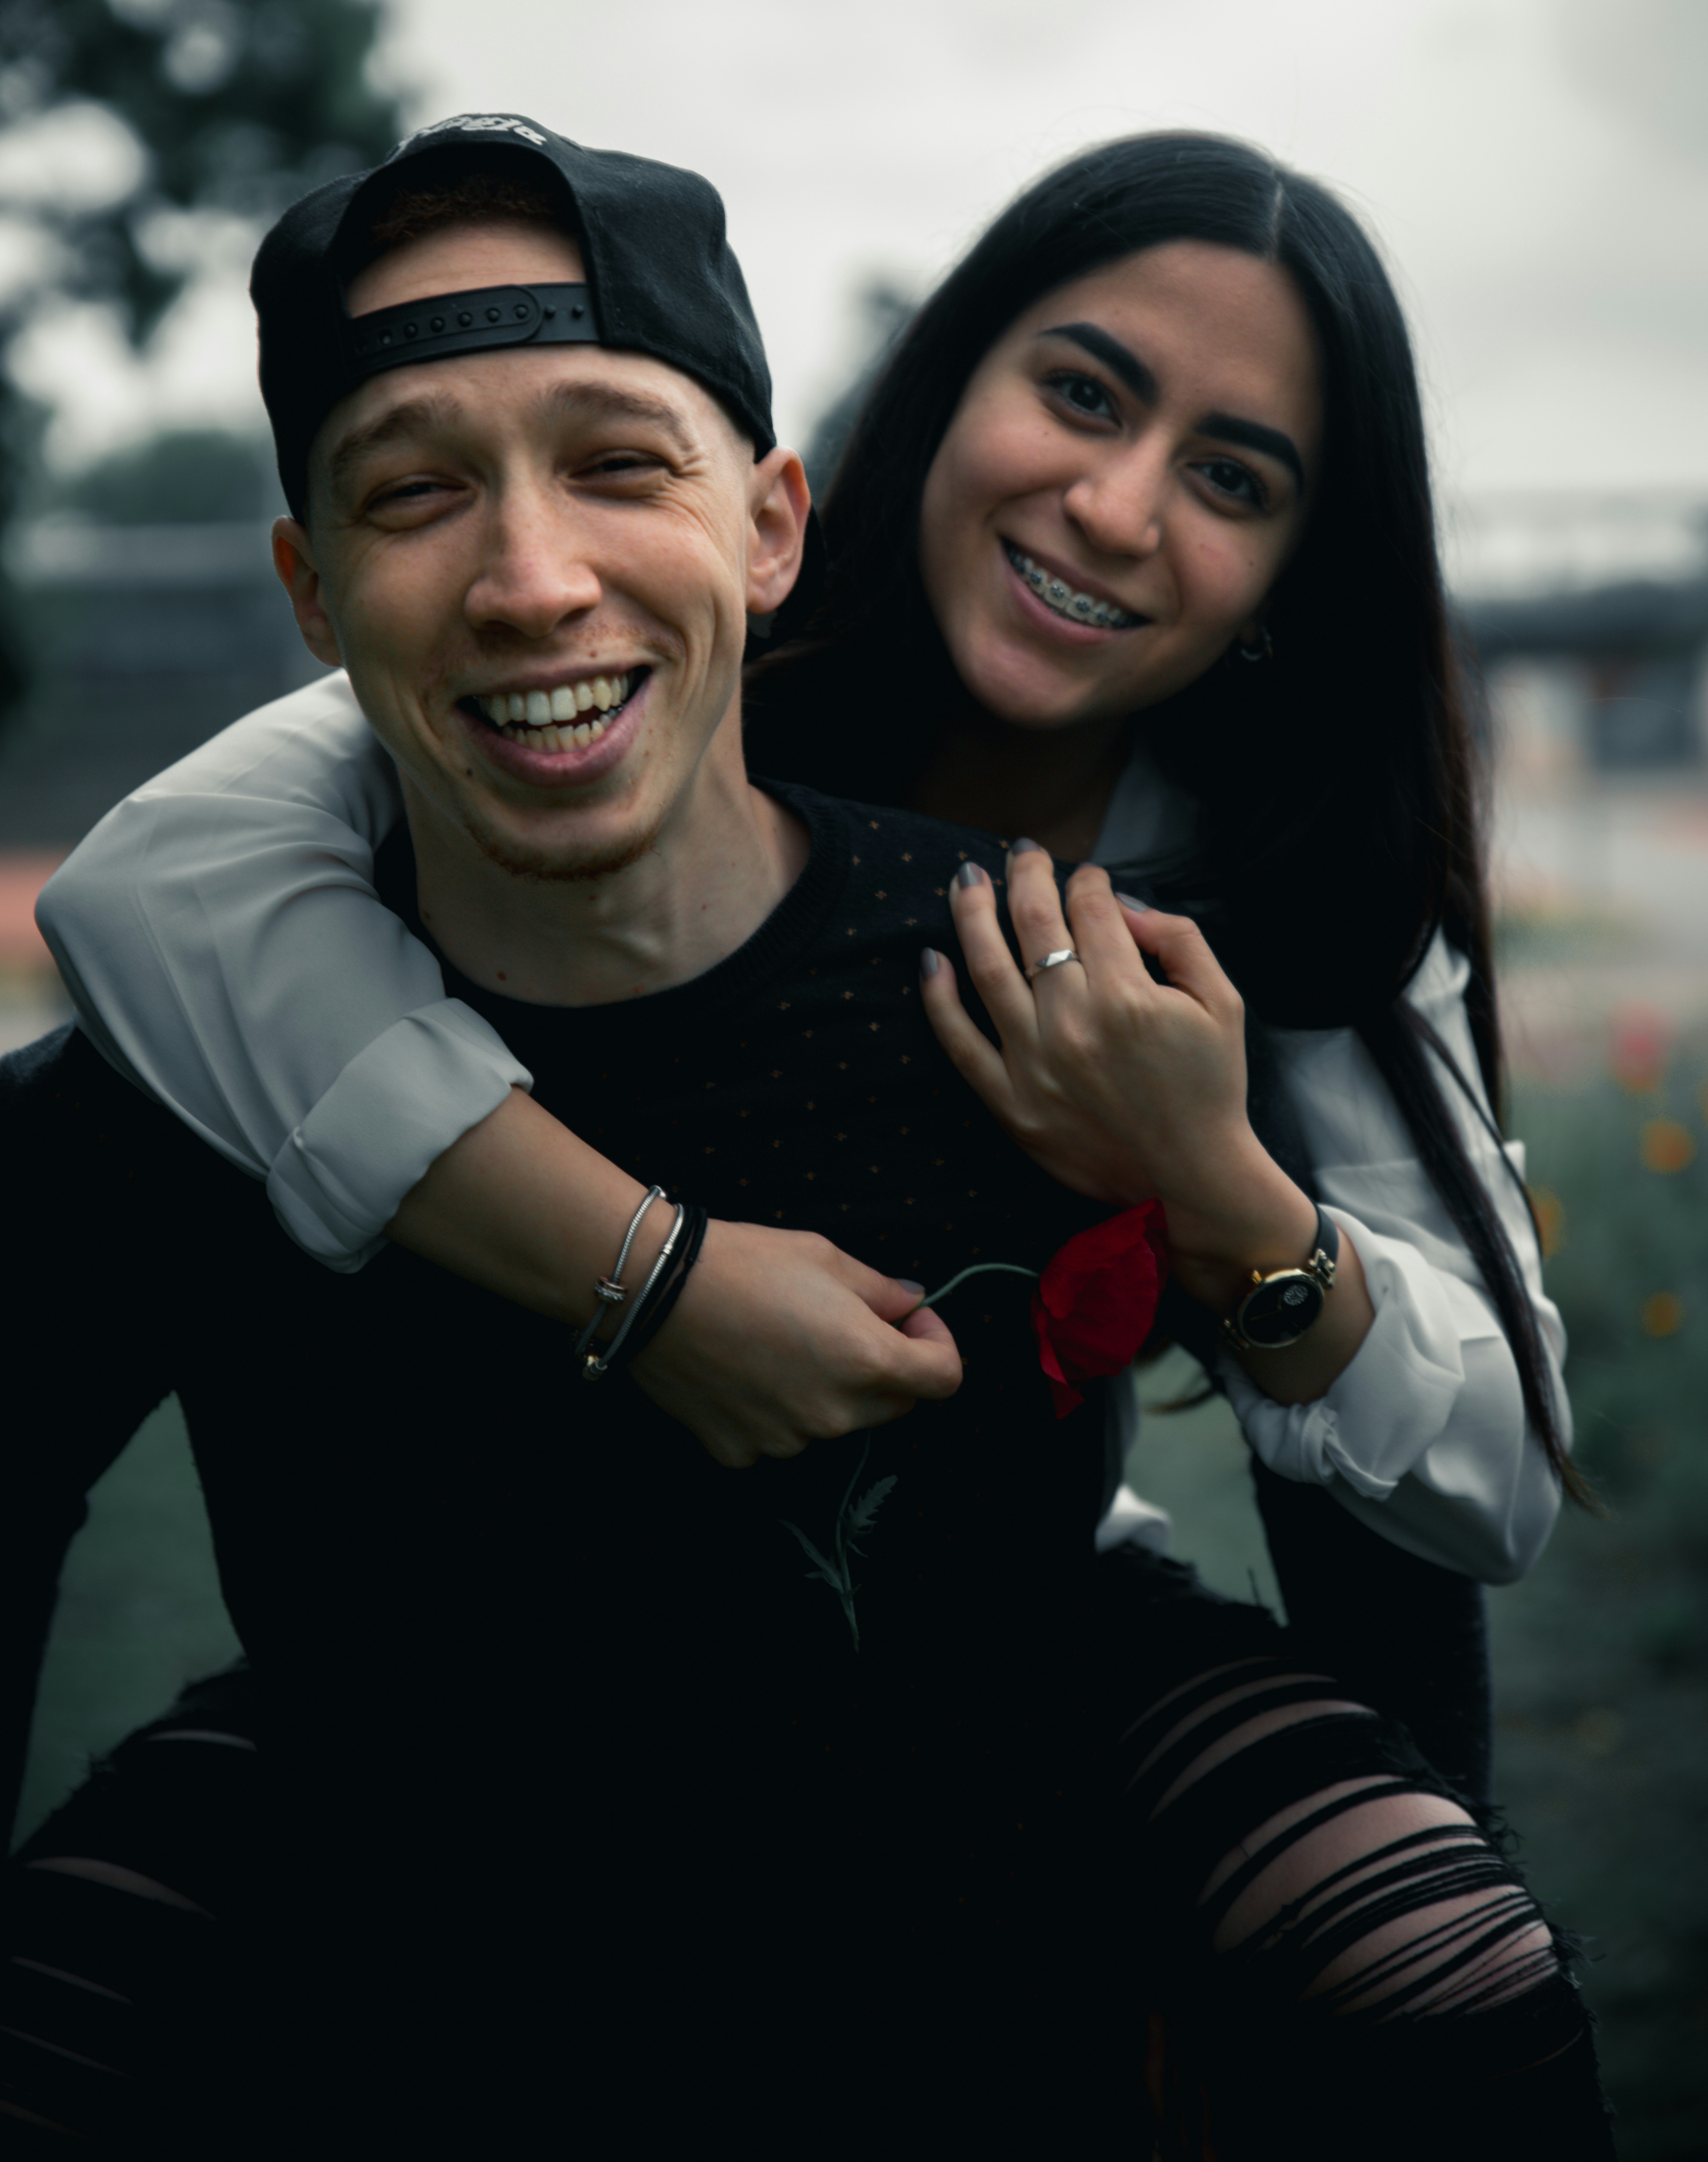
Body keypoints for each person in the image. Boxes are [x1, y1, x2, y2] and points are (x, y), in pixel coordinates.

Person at [4, 119, 1610, 2157]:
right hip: (470, 1610)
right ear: (930, 403)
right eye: (1085, 392)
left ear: (1305, 563)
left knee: (1408, 1961)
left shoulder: (1297, 889)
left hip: (994, 1566)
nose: (1115, 506)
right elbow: (162, 887)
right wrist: (645, 1268)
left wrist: (1216, 1189)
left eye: (1234, 474)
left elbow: (1462, 1487)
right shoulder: (598, 625)